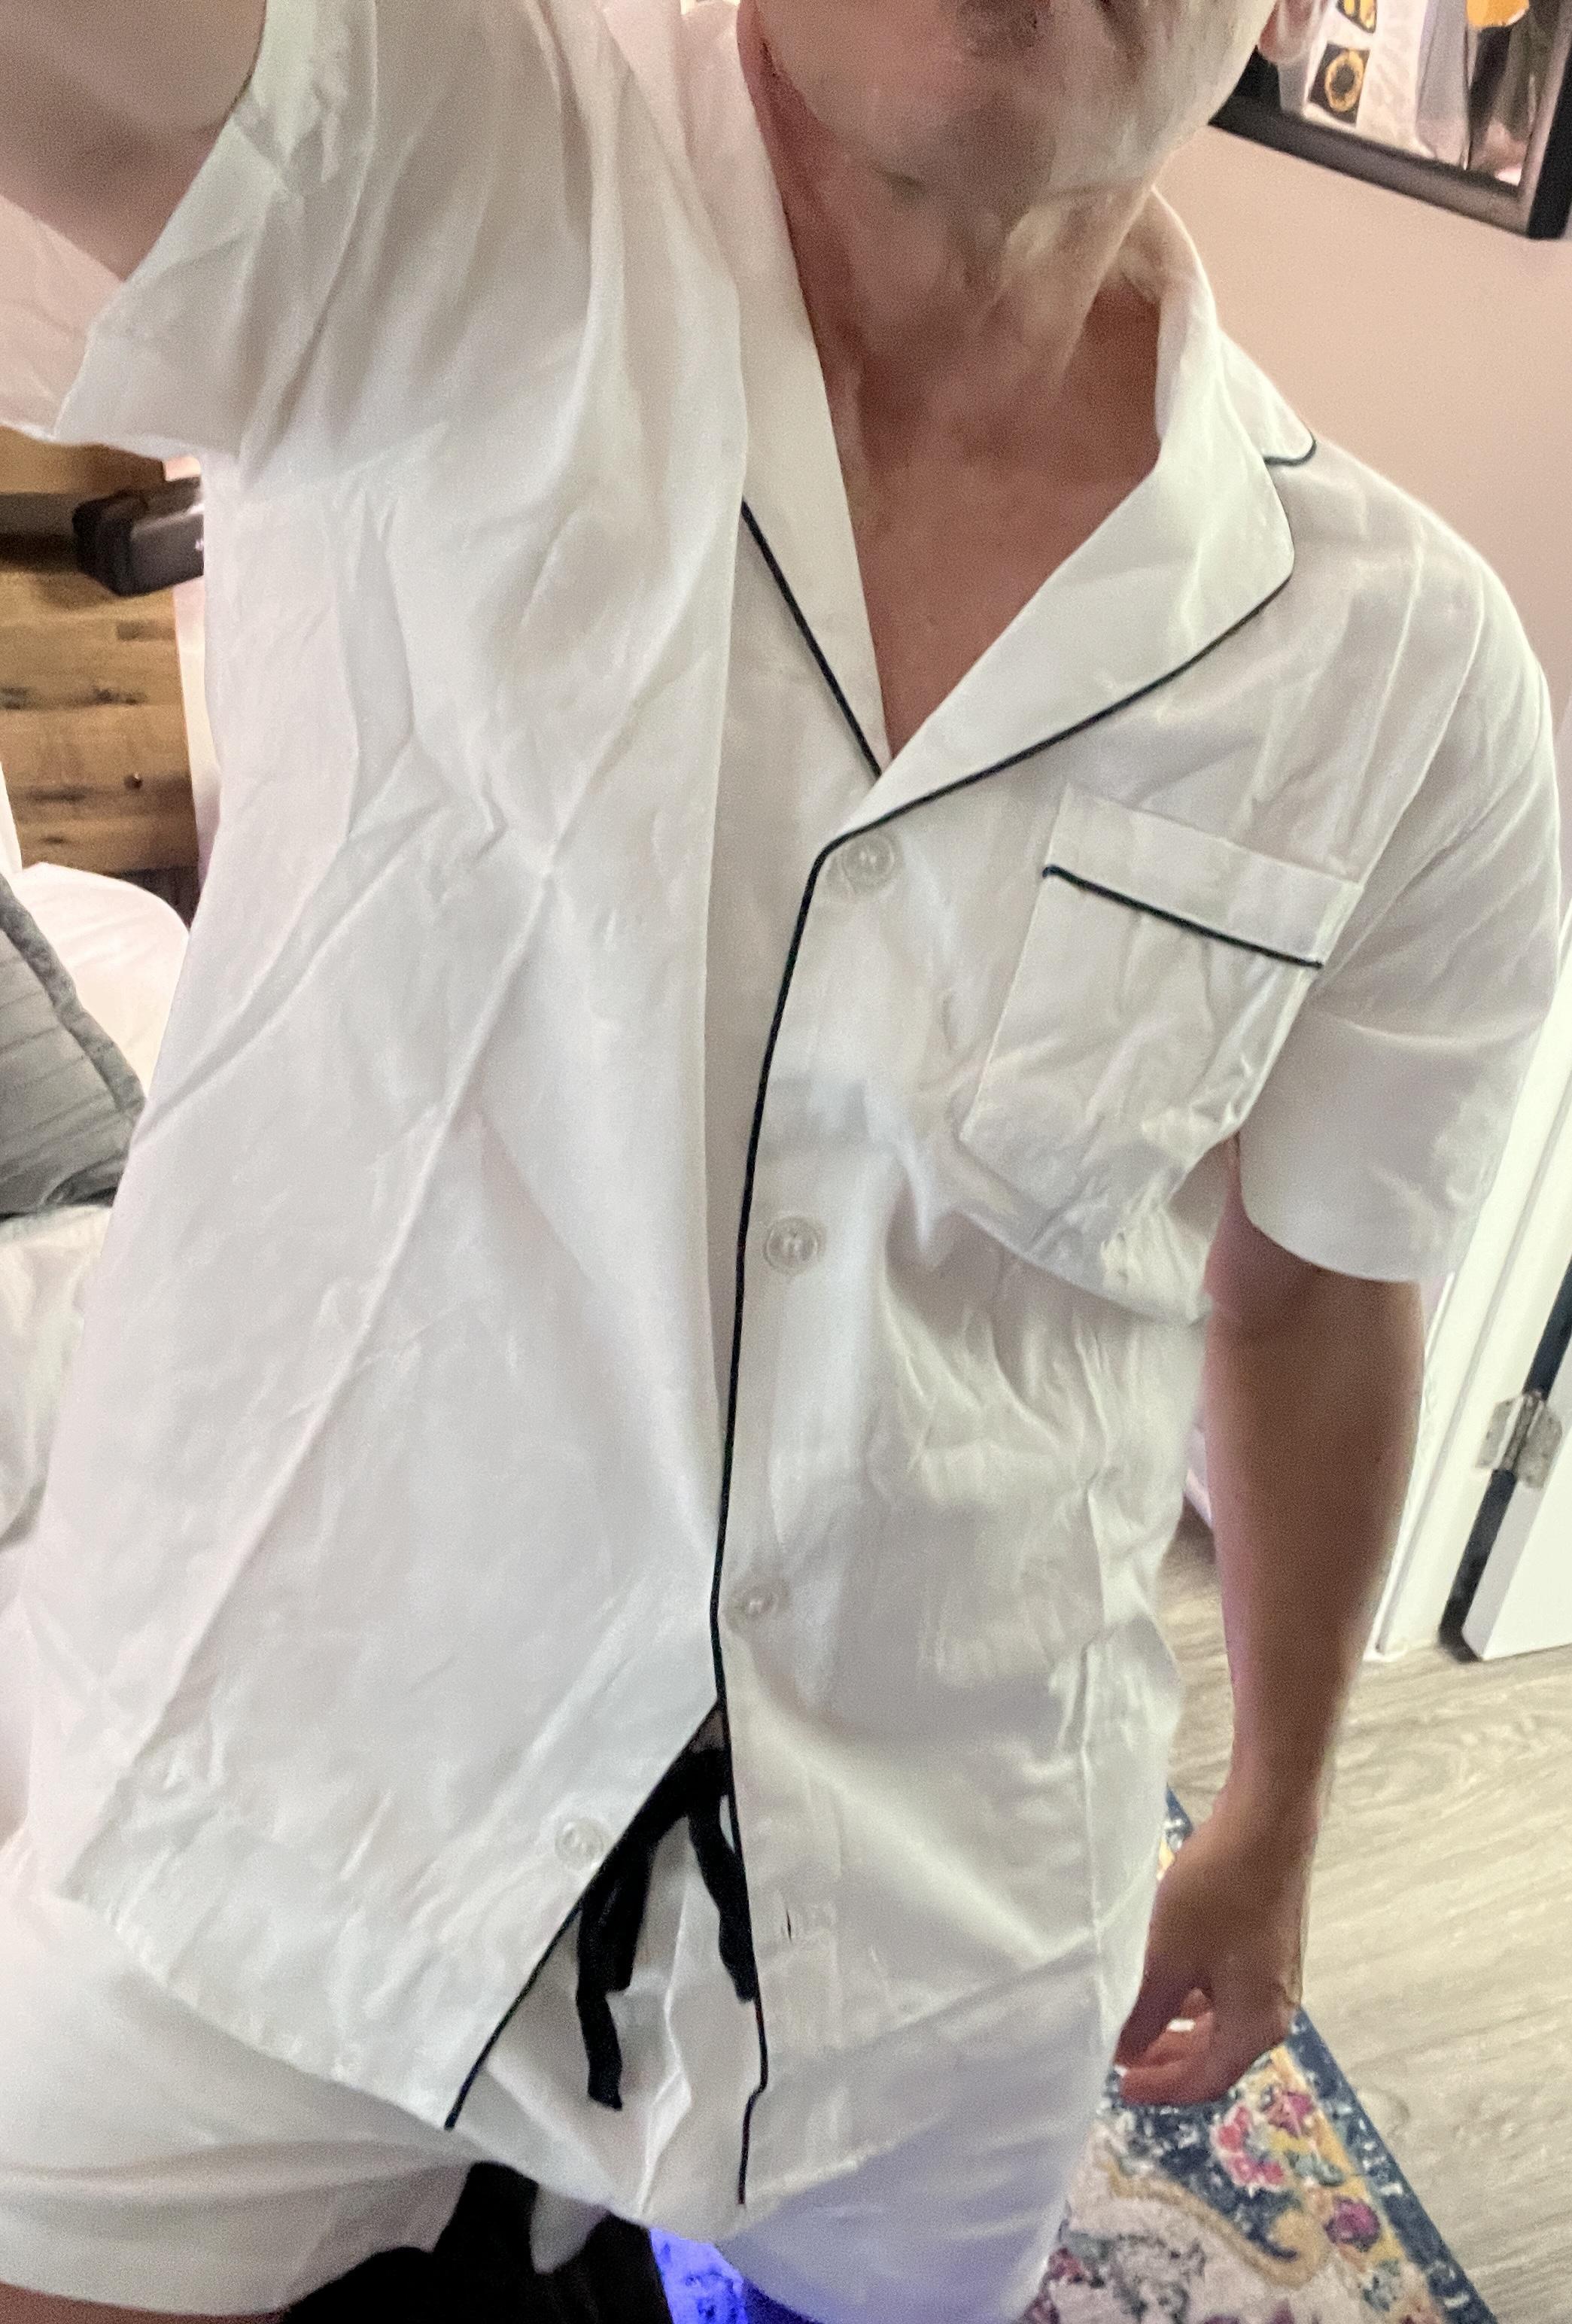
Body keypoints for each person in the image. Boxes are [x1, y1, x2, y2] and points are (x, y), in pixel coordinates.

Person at [0, 0, 1561, 2319]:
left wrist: (1273, 1818)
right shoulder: (419, 148)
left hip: (933, 1927)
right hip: (272, 1804)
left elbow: (1319, 1291)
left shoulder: (1405, 672)